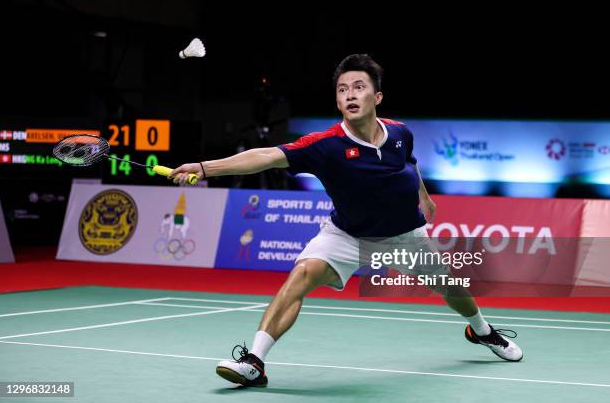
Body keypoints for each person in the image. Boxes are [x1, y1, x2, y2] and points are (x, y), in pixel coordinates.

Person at [169, 54, 523, 388]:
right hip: (347, 235)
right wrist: (204, 168)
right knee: (301, 275)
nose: (350, 94)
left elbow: (409, 164)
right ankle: (254, 363)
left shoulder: (400, 133)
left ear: (377, 96)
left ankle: (480, 330)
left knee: (452, 289)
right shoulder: (326, 145)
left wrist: (424, 196)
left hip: (404, 237)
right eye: (342, 90)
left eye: (358, 87)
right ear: (338, 102)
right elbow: (265, 156)